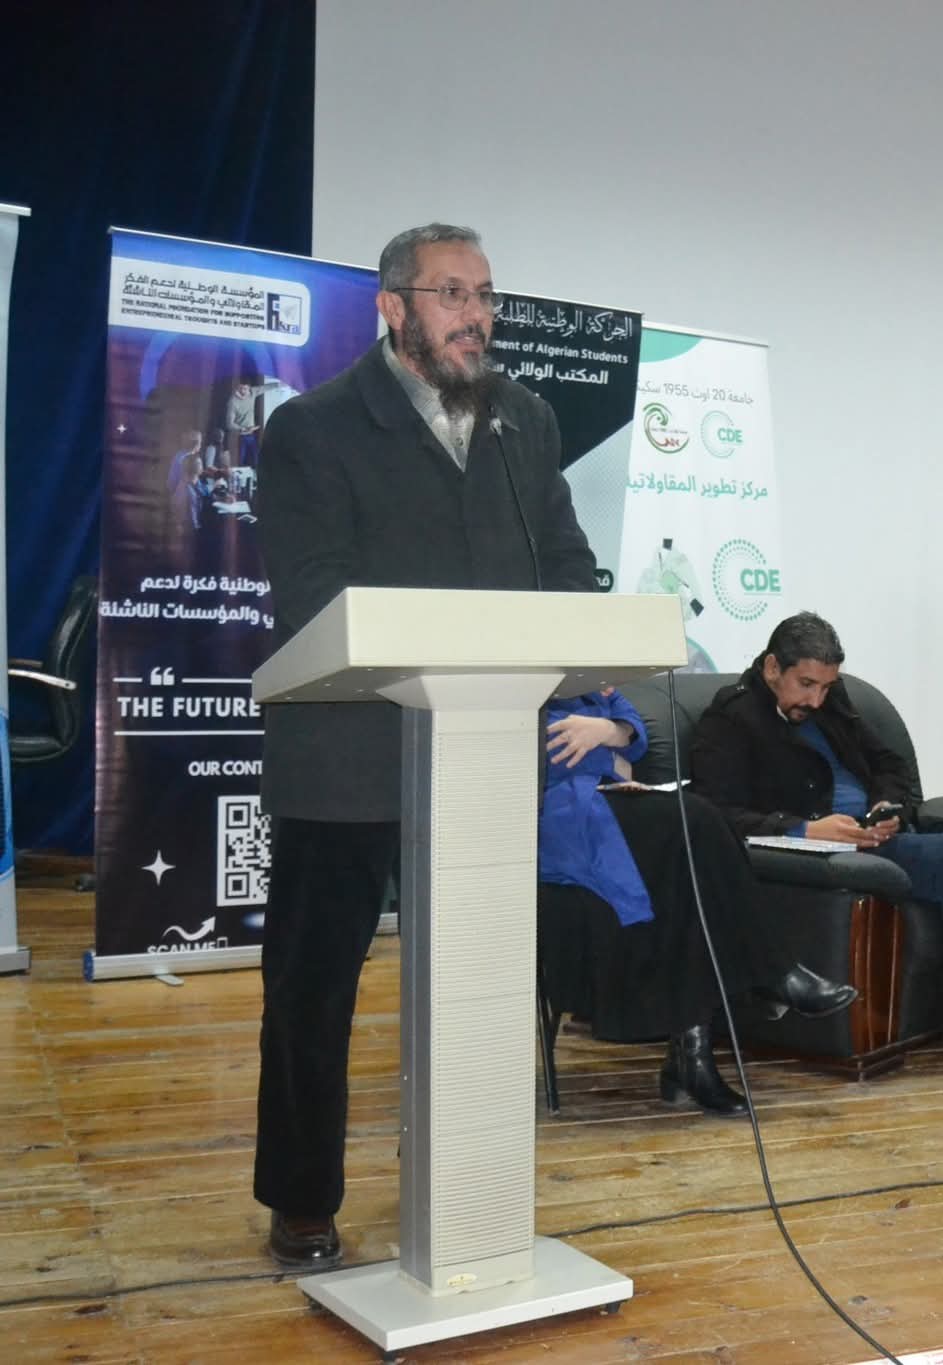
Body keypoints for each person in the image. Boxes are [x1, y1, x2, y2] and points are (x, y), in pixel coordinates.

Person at [253, 223, 598, 1271]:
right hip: (346, 754)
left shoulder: (525, 420)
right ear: (392, 306)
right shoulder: (313, 428)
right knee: (313, 992)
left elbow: (567, 565)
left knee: (480, 985)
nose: (476, 315)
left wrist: (571, 632)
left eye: (485, 295)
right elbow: (311, 591)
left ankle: (465, 1186)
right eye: (452, 293)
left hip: (482, 753)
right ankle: (301, 1198)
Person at [690, 612, 943, 1070]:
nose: (816, 700)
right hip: (840, 850)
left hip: (884, 832)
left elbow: (889, 764)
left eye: (825, 687)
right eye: (806, 685)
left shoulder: (833, 702)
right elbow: (713, 812)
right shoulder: (731, 718)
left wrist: (887, 806)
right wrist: (804, 828)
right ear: (771, 668)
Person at [537, 689, 856, 1117]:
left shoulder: (591, 678)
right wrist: (608, 749)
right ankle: (776, 974)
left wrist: (608, 731)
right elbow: (549, 752)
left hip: (608, 801)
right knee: (696, 820)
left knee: (691, 868)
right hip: (557, 818)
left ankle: (693, 1060)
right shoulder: (527, 677)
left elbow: (633, 728)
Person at [225, 377, 262, 466]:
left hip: (251, 435)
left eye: (245, 389)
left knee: (256, 460)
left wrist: (281, 384)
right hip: (239, 437)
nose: (242, 391)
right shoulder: (233, 401)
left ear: (249, 388)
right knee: (240, 462)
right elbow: (229, 424)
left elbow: (266, 387)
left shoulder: (253, 392)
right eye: (240, 388)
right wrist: (243, 429)